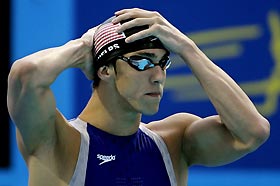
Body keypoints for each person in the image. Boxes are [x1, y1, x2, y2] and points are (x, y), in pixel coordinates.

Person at [7, 8, 270, 186]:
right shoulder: (57, 142)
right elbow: (26, 75)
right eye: (142, 62)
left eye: (163, 63)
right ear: (105, 70)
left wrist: (186, 47)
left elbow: (253, 131)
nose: (157, 76)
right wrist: (84, 46)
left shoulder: (172, 143)